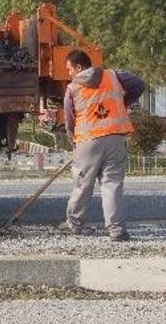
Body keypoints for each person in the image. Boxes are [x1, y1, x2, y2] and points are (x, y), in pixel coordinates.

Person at [61, 50, 144, 242]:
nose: (69, 73)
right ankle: (116, 230)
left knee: (83, 183)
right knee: (112, 184)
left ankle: (74, 224)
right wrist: (122, 102)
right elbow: (140, 84)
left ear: (79, 67)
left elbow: (69, 119)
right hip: (115, 137)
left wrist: (74, 141)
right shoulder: (114, 75)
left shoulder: (72, 88)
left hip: (88, 140)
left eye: (69, 69)